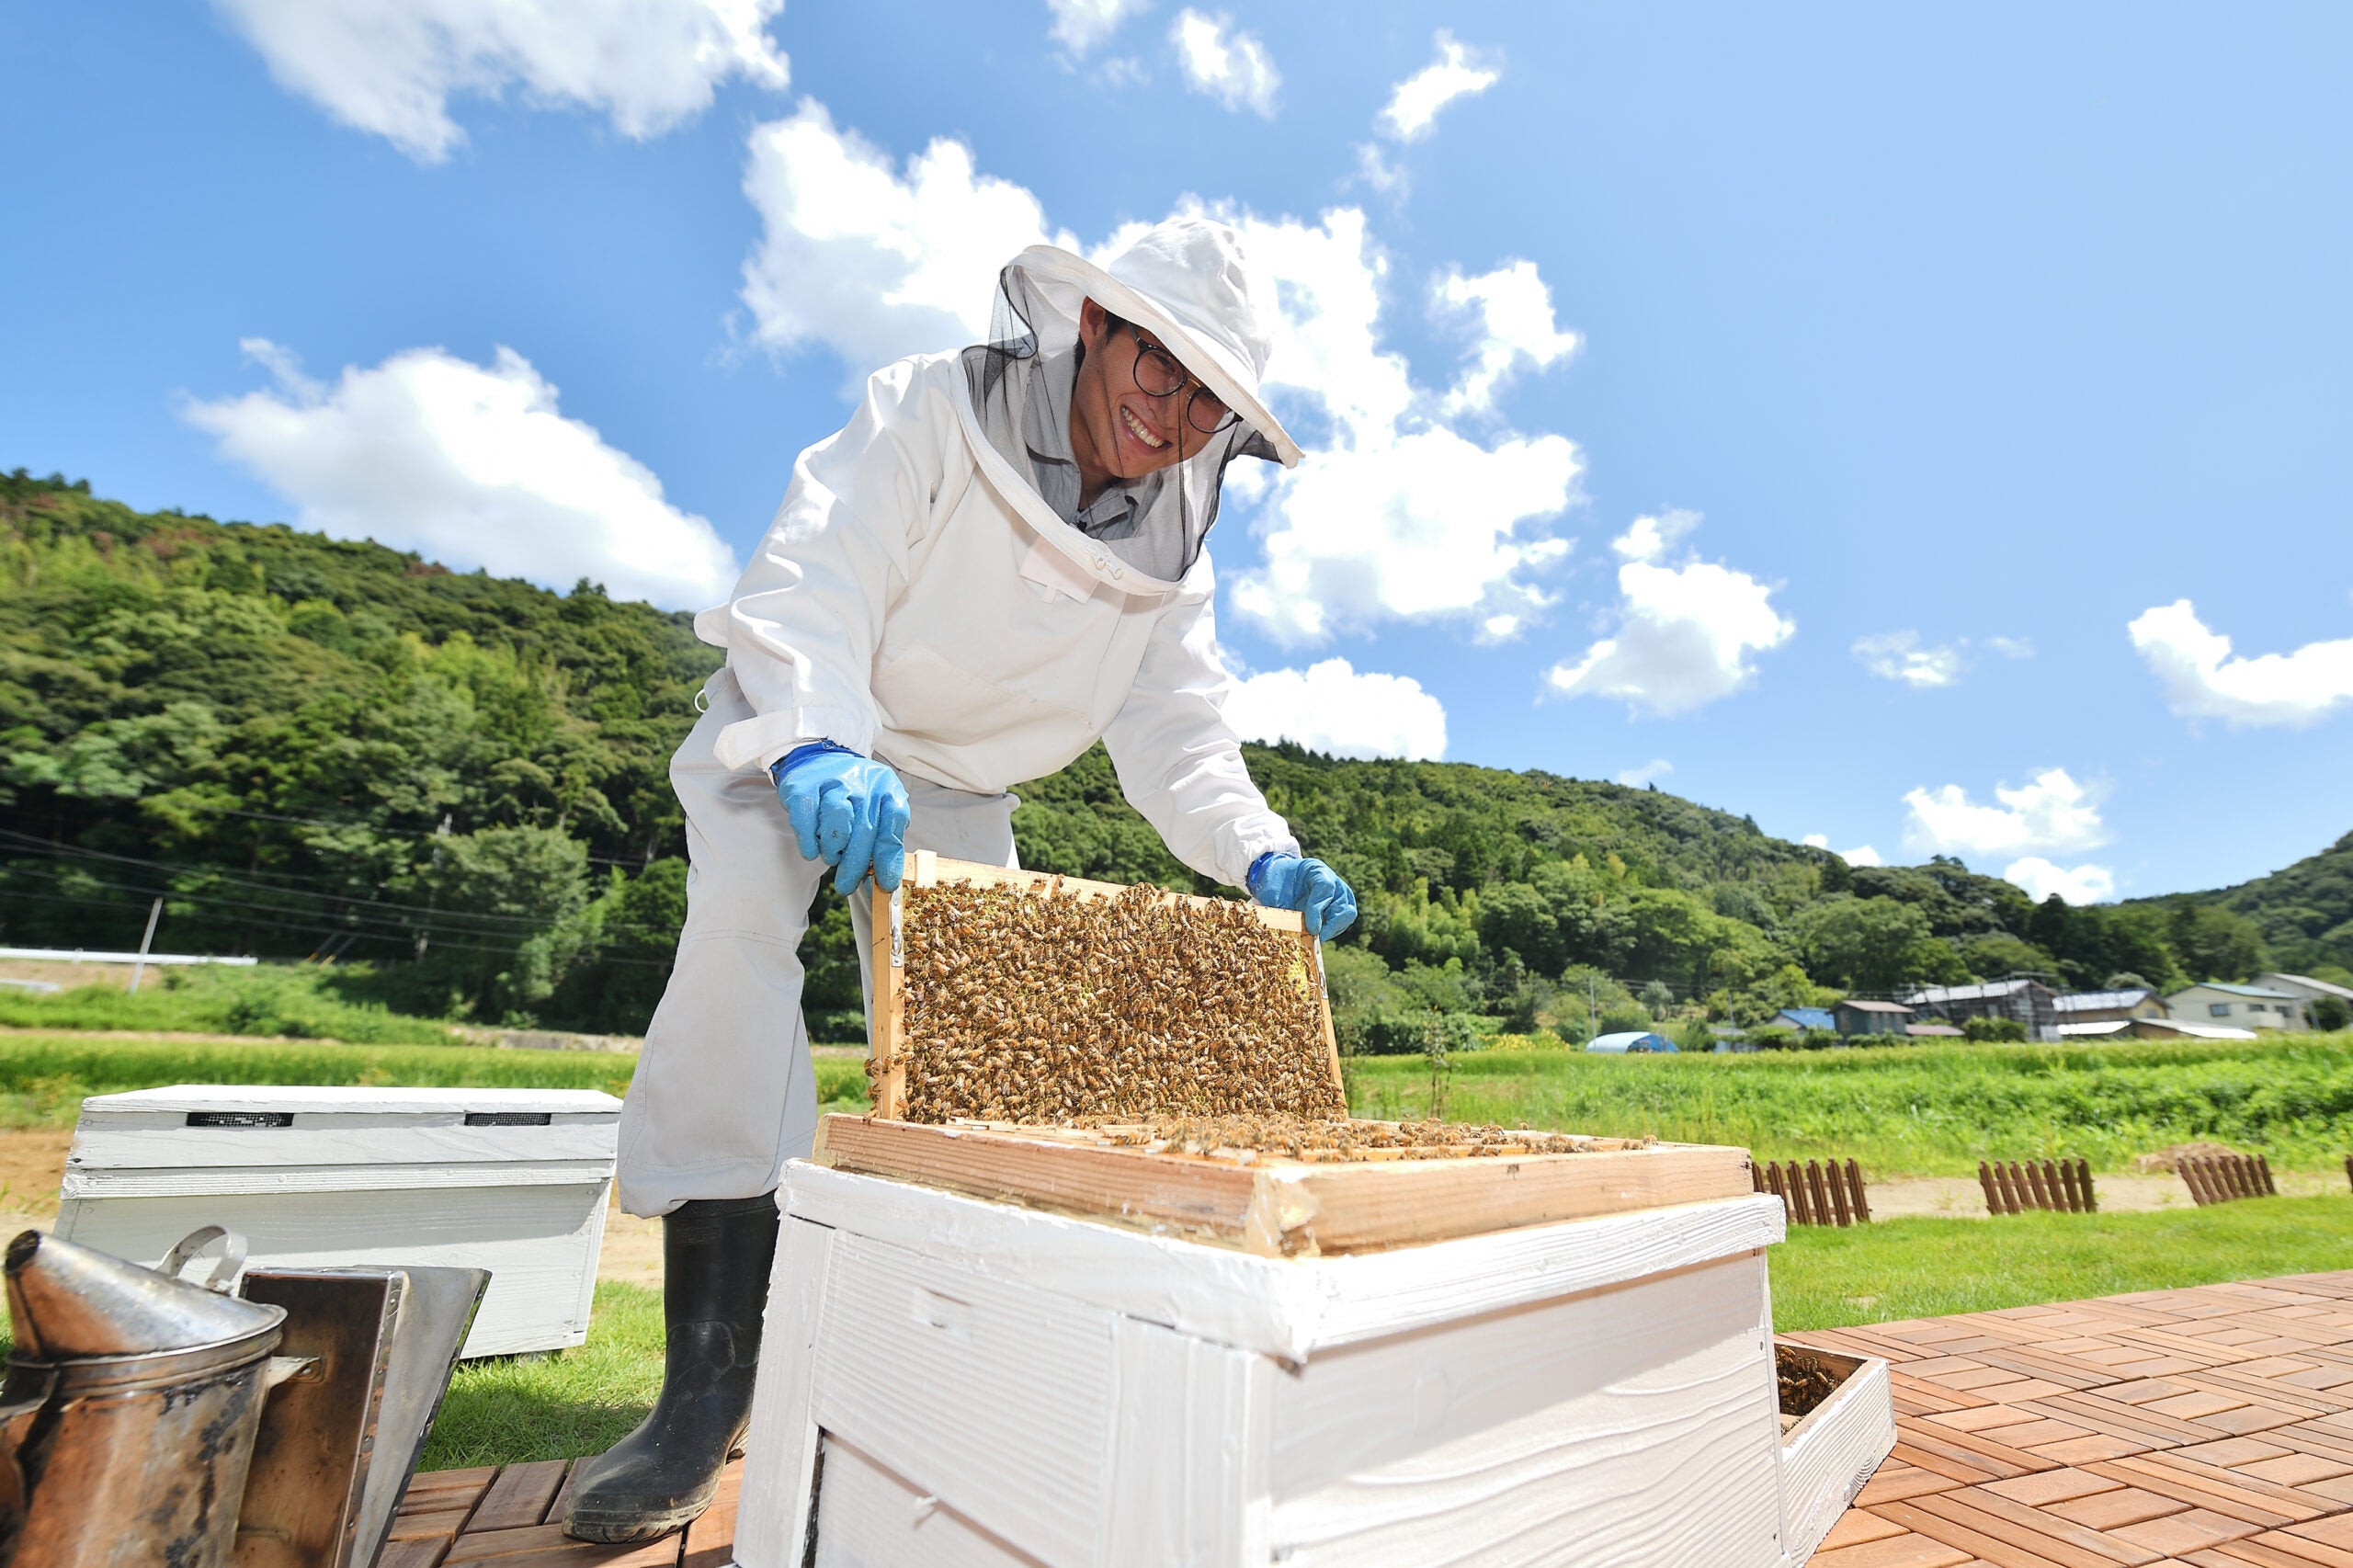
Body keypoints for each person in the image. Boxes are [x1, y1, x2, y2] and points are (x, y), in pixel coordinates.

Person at [562, 217, 1359, 1543]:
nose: (1169, 417)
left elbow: (1180, 736)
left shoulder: (1175, 551)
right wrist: (820, 735)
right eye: (1156, 368)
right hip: (805, 728)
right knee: (734, 953)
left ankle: (924, 1376)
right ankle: (702, 1388)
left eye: (1204, 400)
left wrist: (1260, 848)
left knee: (970, 1077)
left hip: (959, 791)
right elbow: (817, 575)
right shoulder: (931, 406)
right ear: (1094, 326)